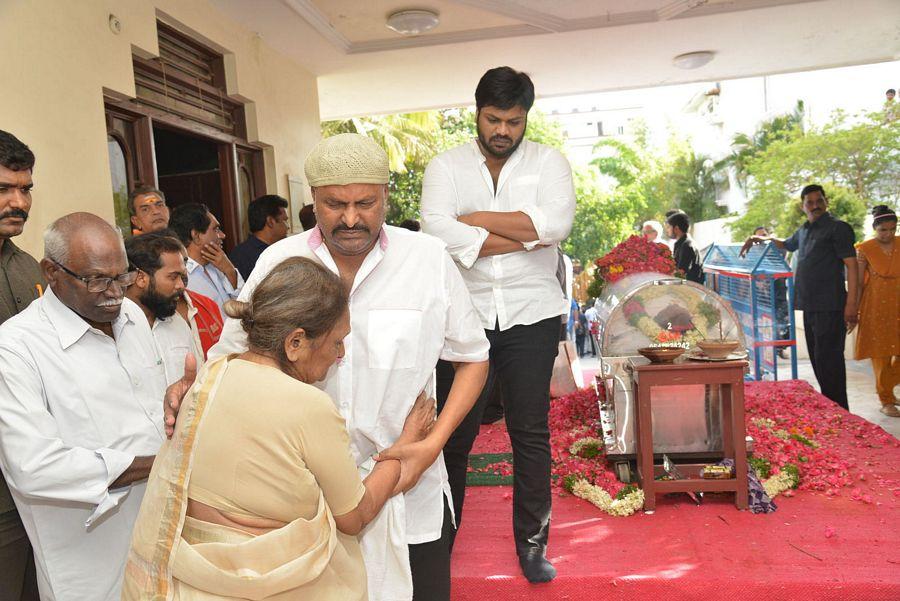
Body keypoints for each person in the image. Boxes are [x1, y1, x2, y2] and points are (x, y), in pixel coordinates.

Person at [167, 133, 490, 601]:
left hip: (407, 485)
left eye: (366, 202)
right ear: (313, 201)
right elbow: (232, 358)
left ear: (386, 197)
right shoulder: (280, 259)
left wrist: (432, 445)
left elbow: (473, 358)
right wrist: (189, 385)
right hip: (301, 501)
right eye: (335, 204)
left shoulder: (427, 259)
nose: (352, 218)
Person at [125, 257, 436, 599]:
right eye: (336, 341)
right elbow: (354, 516)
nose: (341, 353)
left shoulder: (210, 378)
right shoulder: (309, 405)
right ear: (295, 342)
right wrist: (402, 446)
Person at [421, 66, 576, 583]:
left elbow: (555, 225)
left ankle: (533, 546)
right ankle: (442, 539)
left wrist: (477, 220)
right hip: (462, 319)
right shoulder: (445, 166)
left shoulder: (549, 163)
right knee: (454, 435)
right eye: (493, 119)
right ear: (477, 113)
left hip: (532, 313)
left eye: (513, 121)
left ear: (526, 117)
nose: (503, 131)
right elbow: (436, 233)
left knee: (529, 433)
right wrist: (524, 231)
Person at [0, 213, 166, 600]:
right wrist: (155, 463)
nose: (115, 293)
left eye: (122, 277)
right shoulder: (16, 346)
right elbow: (33, 466)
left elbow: (149, 411)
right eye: (96, 280)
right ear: (51, 272)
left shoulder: (133, 319)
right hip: (87, 559)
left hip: (157, 531)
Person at [741, 184, 858, 409]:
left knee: (831, 365)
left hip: (831, 307)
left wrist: (852, 304)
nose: (815, 206)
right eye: (810, 203)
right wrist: (758, 239)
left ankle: (842, 413)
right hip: (809, 306)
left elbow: (852, 267)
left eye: (819, 201)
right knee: (818, 362)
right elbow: (785, 244)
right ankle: (832, 411)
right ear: (803, 207)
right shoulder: (804, 230)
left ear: (826, 202)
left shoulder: (838, 228)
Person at [0, 130, 41, 601]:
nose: (19, 202)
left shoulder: (28, 267)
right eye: (4, 189)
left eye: (26, 188)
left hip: (34, 483)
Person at [125, 232, 203, 384]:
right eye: (173, 277)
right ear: (141, 278)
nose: (181, 285)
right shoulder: (115, 330)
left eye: (182, 277)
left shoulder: (178, 323)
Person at [854, 205, 899, 416]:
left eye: (893, 229)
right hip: (875, 306)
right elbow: (859, 283)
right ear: (875, 228)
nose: (888, 234)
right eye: (883, 230)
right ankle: (886, 400)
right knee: (880, 354)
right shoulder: (864, 249)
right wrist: (853, 309)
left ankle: (888, 389)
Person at [169, 203, 244, 315]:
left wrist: (229, 270)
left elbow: (243, 305)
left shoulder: (219, 265)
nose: (223, 235)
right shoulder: (180, 278)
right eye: (216, 229)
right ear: (196, 236)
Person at [228, 194, 290, 280]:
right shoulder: (241, 256)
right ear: (270, 221)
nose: (288, 226)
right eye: (285, 220)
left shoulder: (280, 249)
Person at [666, 211, 704, 284]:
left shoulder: (687, 245)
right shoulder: (682, 243)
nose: (667, 230)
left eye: (668, 227)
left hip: (690, 290)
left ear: (676, 228)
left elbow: (681, 273)